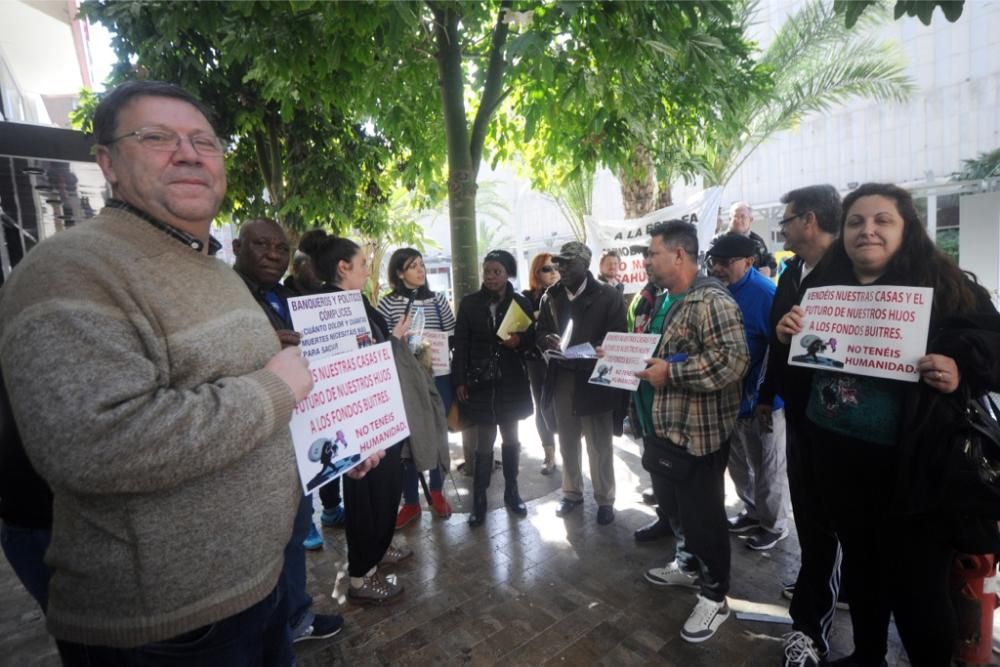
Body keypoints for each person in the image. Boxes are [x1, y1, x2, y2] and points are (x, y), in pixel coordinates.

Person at [0, 80, 320, 664]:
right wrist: (275, 388)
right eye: (156, 137)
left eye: (204, 141)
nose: (189, 152)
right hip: (169, 631)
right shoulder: (69, 270)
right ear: (108, 163)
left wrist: (340, 438)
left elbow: (229, 378)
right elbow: (94, 443)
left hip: (260, 590)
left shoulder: (214, 270)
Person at [775, 183, 1000, 666]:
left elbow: (994, 347)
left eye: (882, 221)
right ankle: (867, 655)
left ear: (906, 229)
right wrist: (786, 337)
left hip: (918, 477)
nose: (867, 231)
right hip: (840, 469)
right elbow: (801, 374)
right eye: (856, 222)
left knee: (920, 596)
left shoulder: (948, 287)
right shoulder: (821, 288)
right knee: (865, 578)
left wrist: (960, 364)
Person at [232, 217, 345, 643]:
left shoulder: (284, 295)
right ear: (238, 245)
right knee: (263, 543)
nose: (273, 255)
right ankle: (266, 629)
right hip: (253, 441)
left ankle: (296, 617)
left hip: (296, 433)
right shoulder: (227, 298)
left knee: (296, 530)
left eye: (281, 249)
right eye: (262, 245)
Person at [635, 221, 748, 644]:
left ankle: (716, 596)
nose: (647, 261)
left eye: (653, 253)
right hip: (666, 427)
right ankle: (686, 566)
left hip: (699, 435)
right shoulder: (669, 300)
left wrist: (673, 372)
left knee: (704, 519)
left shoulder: (711, 301)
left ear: (678, 255)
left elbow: (734, 362)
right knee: (675, 510)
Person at [756, 185, 845, 666]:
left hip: (842, 422)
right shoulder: (792, 272)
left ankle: (808, 630)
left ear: (808, 220)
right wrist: (769, 394)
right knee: (812, 520)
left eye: (787, 218)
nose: (783, 227)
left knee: (824, 524)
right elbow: (777, 340)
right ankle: (823, 576)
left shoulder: (853, 272)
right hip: (800, 414)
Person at [299, 231, 413, 605]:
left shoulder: (358, 301)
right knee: (367, 498)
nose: (368, 271)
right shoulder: (327, 310)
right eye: (363, 264)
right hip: (358, 425)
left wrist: (392, 340)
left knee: (385, 491)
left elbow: (372, 349)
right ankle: (363, 574)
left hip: (379, 415)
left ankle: (378, 551)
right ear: (342, 267)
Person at [706, 234, 790, 552]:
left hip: (763, 401)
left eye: (726, 263)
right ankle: (753, 511)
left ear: (749, 262)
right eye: (715, 262)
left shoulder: (765, 293)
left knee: (768, 465)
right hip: (729, 398)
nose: (718, 268)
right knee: (738, 462)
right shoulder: (717, 292)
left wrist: (765, 396)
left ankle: (774, 524)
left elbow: (779, 348)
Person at [537, 241, 627, 526]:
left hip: (595, 379)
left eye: (567, 263)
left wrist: (596, 349)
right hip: (562, 376)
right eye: (558, 263)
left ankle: (605, 498)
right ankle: (572, 492)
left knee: (599, 443)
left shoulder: (609, 296)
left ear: (585, 265)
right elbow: (539, 333)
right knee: (567, 439)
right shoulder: (549, 296)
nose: (559, 268)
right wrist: (546, 341)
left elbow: (618, 338)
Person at [453, 250, 535, 527]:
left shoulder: (521, 302)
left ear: (507, 273)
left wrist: (520, 342)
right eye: (487, 271)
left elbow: (532, 340)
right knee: (484, 440)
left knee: (511, 436)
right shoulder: (470, 304)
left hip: (510, 381)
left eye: (496, 271)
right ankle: (480, 501)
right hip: (480, 382)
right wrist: (460, 380)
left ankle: (513, 492)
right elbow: (461, 344)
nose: (490, 277)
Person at [377, 248, 455, 528]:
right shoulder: (387, 304)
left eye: (422, 265)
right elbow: (382, 342)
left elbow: (451, 333)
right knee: (408, 440)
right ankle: (410, 501)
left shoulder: (438, 300)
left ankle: (437, 490)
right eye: (413, 266)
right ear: (399, 273)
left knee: (437, 433)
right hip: (405, 382)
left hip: (439, 377)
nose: (420, 270)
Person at [288, 230, 346, 541]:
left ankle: (332, 508)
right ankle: (306, 522)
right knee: (304, 457)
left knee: (329, 450)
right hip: (296, 393)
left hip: (327, 388)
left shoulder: (329, 295)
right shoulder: (284, 297)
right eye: (315, 268)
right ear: (299, 265)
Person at [523, 252, 560, 475]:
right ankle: (549, 454)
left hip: (564, 357)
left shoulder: (566, 293)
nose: (553, 272)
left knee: (564, 405)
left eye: (555, 267)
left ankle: (569, 452)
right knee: (543, 405)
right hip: (536, 359)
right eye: (546, 269)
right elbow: (522, 323)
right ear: (536, 273)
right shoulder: (527, 297)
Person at [715, 202, 776, 277]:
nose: (739, 220)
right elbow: (710, 266)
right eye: (735, 216)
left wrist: (769, 270)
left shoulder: (757, 242)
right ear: (730, 219)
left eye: (743, 217)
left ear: (750, 220)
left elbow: (772, 264)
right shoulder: (718, 241)